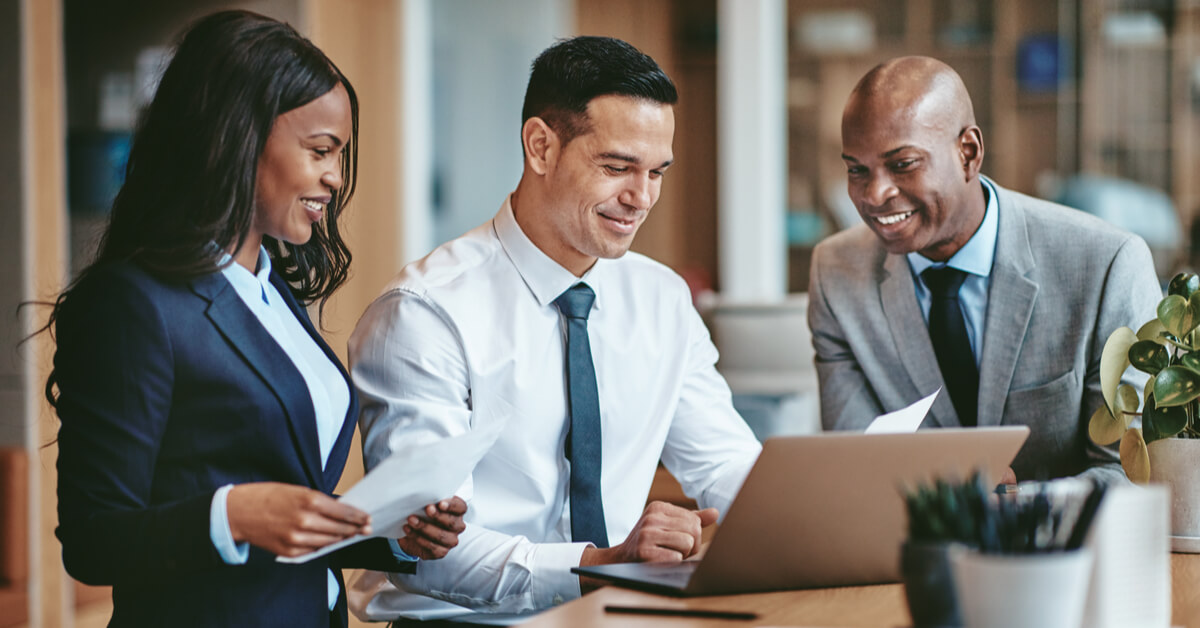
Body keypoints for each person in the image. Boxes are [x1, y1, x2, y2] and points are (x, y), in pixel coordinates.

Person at [47, 11, 466, 627]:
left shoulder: (271, 292)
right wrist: (234, 514)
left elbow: (286, 519)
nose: (335, 177)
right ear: (238, 136)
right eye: (321, 150)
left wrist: (391, 534)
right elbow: (93, 538)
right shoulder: (135, 304)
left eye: (340, 155)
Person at [347, 36, 762, 624]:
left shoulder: (663, 299)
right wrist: (602, 562)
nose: (640, 198)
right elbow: (431, 554)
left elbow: (724, 465)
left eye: (656, 173)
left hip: (618, 617)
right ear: (541, 146)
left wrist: (798, 523)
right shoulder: (424, 313)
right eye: (617, 167)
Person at [808, 56, 1161, 483]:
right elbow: (856, 465)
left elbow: (1129, 473)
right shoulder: (836, 273)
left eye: (903, 164)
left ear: (968, 153)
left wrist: (1015, 509)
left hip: (1064, 546)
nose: (874, 193)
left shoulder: (1106, 265)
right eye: (857, 170)